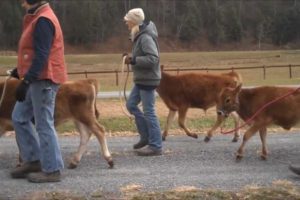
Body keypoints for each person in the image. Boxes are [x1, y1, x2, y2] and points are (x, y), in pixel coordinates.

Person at [10, 0, 67, 183]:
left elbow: (43, 54)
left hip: (44, 79)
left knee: (44, 124)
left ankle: (53, 169)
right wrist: (20, 71)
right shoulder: (38, 17)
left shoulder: (43, 20)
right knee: (19, 117)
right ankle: (33, 160)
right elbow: (35, 53)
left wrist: (26, 80)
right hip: (37, 77)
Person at [123, 8, 162, 156]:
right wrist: (131, 57)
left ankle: (156, 145)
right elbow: (143, 55)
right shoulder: (139, 35)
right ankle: (145, 137)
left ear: (134, 21)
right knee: (131, 104)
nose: (126, 23)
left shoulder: (145, 37)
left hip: (148, 80)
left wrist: (133, 60)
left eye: (128, 20)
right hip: (142, 79)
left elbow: (153, 59)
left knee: (149, 112)